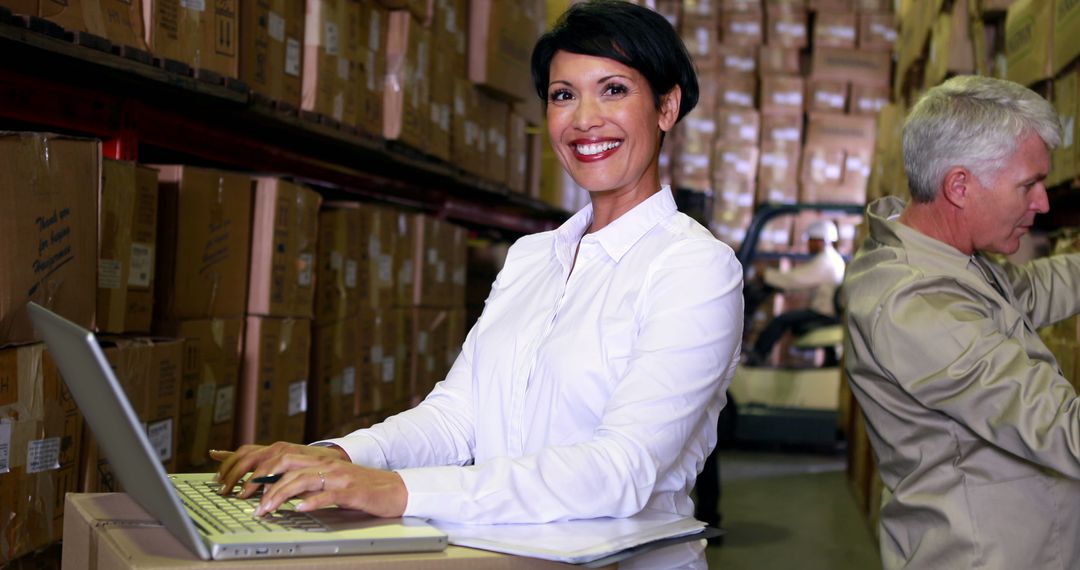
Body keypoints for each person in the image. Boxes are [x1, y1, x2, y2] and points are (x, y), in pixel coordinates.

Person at [214, 1, 743, 565]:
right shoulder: (531, 258)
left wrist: (397, 490)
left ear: (666, 106)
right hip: (498, 555)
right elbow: (458, 416)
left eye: (613, 89)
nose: (584, 118)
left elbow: (620, 470)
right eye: (563, 95)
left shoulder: (695, 268)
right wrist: (343, 456)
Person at [842, 75, 1080, 569]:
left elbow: (1033, 290)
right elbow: (1061, 429)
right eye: (1028, 184)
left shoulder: (947, 259)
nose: (1043, 202)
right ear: (959, 185)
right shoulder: (917, 303)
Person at [742, 219, 845, 366]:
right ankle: (830, 362)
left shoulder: (826, 261)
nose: (808, 244)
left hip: (823, 315)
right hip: (826, 313)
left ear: (820, 241)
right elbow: (800, 281)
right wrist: (781, 285)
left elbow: (795, 279)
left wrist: (767, 275)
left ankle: (755, 359)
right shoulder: (832, 258)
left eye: (810, 240)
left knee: (780, 321)